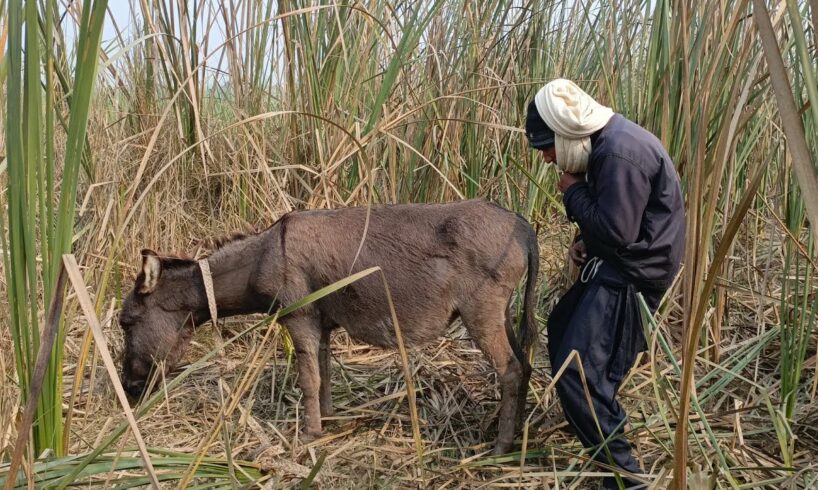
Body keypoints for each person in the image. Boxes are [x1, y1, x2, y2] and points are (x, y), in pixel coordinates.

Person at [525, 79, 685, 489]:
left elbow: (617, 231)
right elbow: (619, 217)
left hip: (632, 276)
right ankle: (593, 421)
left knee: (576, 371)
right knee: (561, 326)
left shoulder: (618, 152)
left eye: (546, 147)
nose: (546, 159)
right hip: (617, 264)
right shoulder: (606, 143)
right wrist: (584, 242)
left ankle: (626, 477)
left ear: (567, 132)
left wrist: (574, 193)